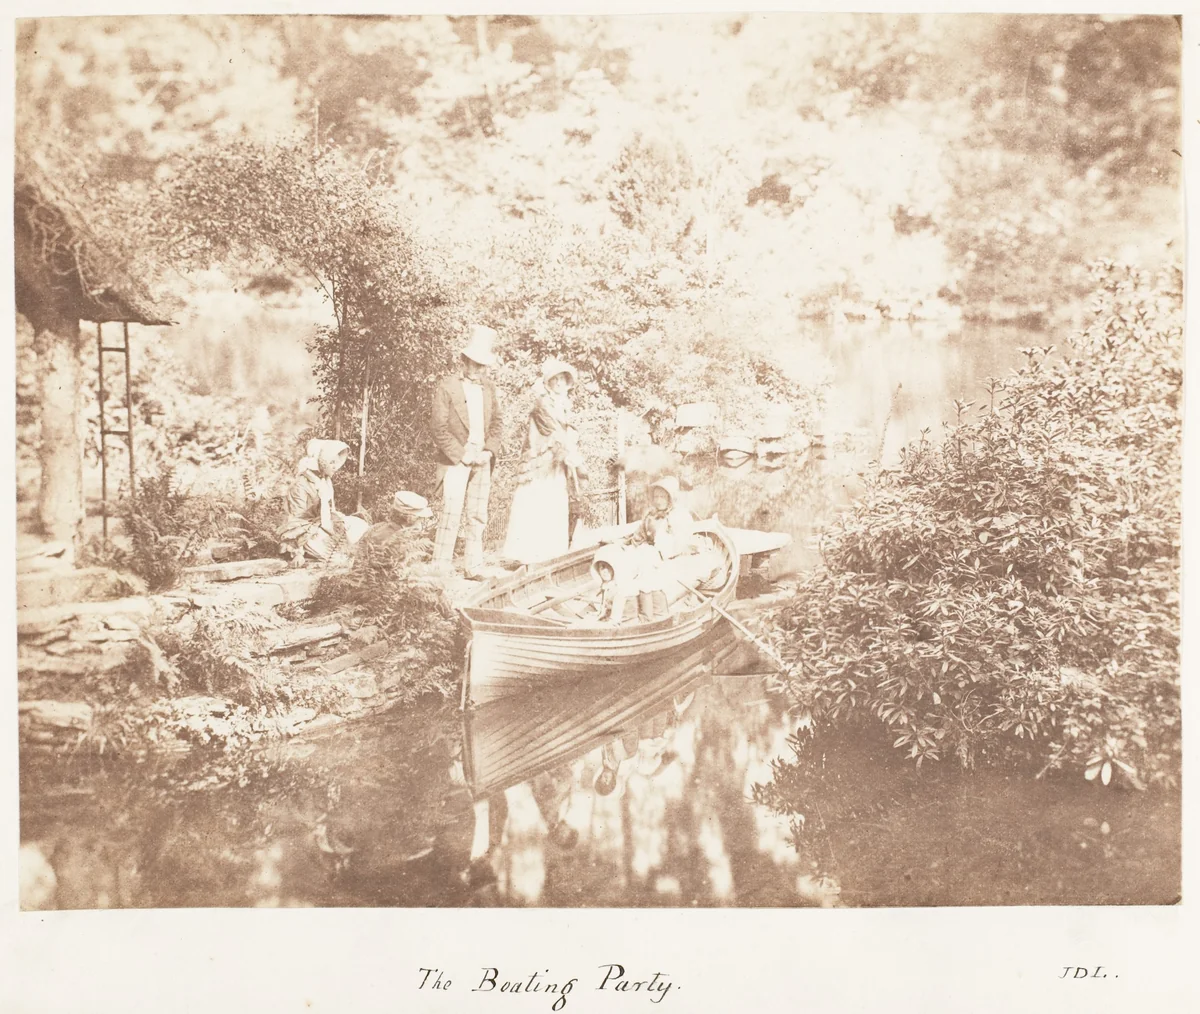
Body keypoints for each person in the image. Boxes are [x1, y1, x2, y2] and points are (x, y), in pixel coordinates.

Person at [430, 326, 504, 578]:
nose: (477, 371)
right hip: (455, 460)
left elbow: (497, 424)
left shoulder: (489, 388)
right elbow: (438, 428)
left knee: (477, 515)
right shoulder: (447, 386)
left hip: (482, 458)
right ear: (464, 362)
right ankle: (440, 567)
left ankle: (473, 567)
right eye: (473, 364)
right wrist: (462, 455)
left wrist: (489, 451)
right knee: (451, 512)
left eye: (482, 366)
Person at [502, 358, 585, 565]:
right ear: (548, 383)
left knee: (554, 503)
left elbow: (569, 431)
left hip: (557, 464)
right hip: (541, 463)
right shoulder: (542, 404)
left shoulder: (565, 405)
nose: (559, 383)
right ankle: (527, 555)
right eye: (555, 379)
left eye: (562, 380)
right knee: (536, 501)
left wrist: (572, 445)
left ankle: (549, 554)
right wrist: (567, 451)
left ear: (567, 383)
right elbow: (551, 432)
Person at [277, 439, 369, 564]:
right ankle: (340, 555)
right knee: (338, 558)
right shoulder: (300, 485)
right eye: (331, 463)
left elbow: (329, 512)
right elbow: (295, 521)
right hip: (306, 533)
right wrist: (298, 553)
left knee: (360, 525)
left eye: (336, 463)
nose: (335, 467)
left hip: (322, 524)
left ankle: (352, 552)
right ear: (320, 462)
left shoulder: (324, 481)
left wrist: (338, 521)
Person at [355, 490, 434, 555]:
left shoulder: (392, 530)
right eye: (419, 517)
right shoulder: (391, 537)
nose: (421, 521)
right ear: (409, 518)